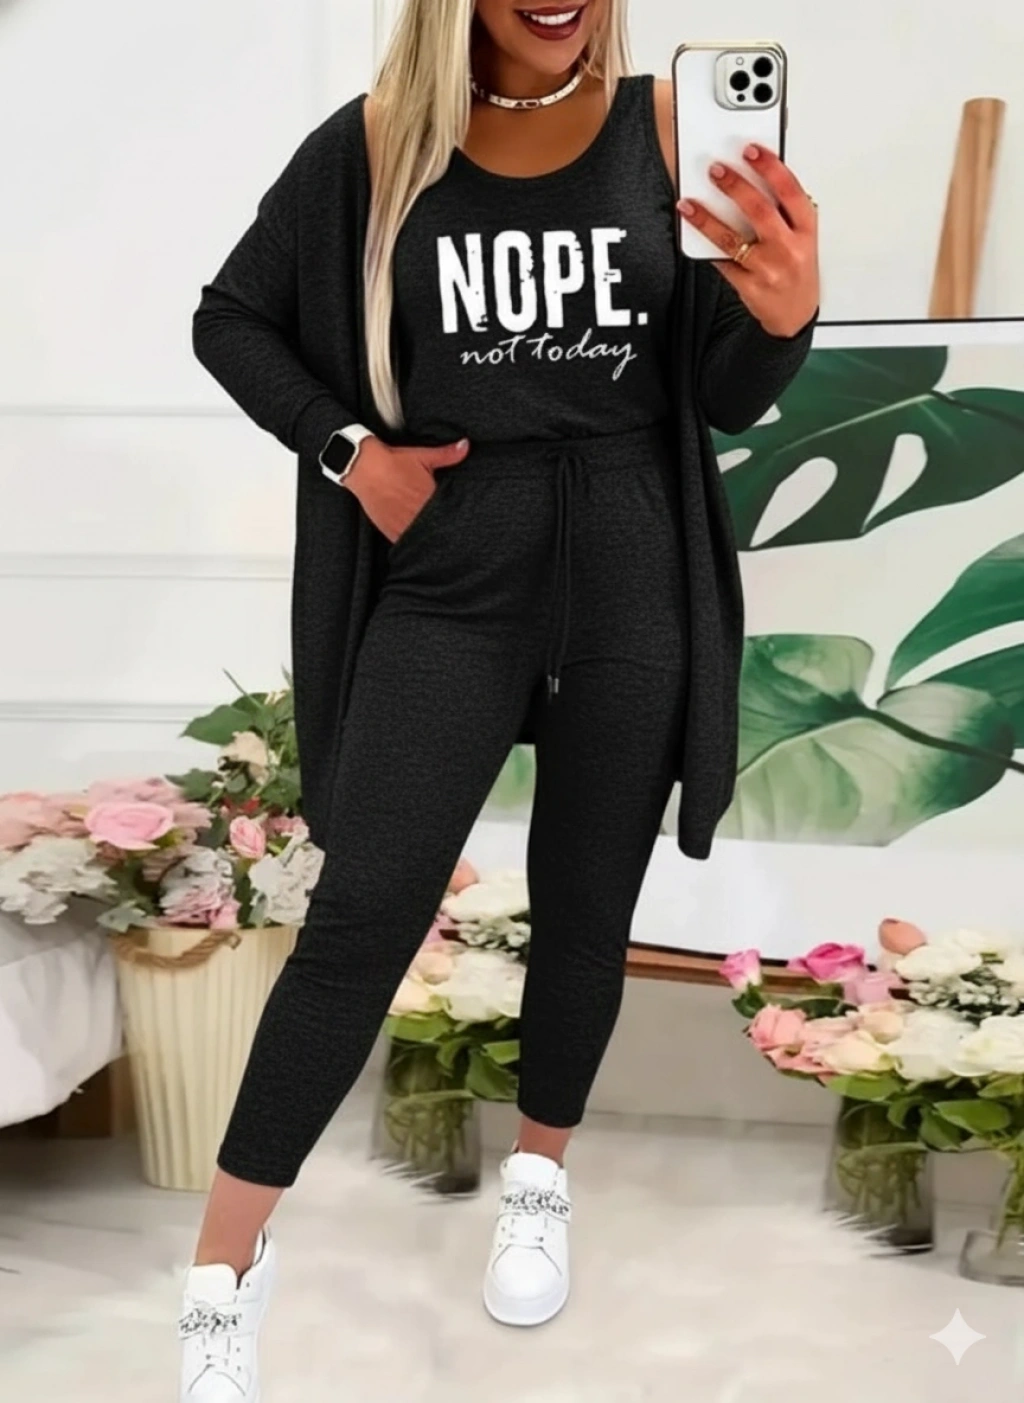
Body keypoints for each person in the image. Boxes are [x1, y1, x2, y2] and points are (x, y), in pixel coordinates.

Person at [180, 0, 820, 1395]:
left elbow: (727, 392)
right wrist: (351, 451)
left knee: (586, 903)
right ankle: (223, 1273)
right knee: (361, 916)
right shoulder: (375, 144)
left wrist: (784, 320)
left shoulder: (670, 129)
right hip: (456, 566)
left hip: (635, 559)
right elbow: (230, 318)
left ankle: (540, 1180)